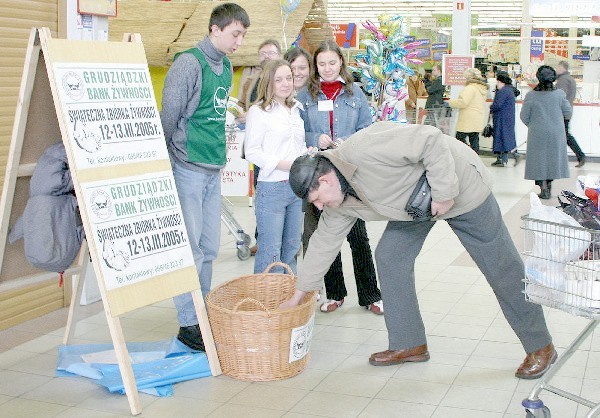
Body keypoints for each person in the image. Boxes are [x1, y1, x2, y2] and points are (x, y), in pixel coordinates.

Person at [281, 122, 556, 380]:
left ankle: (541, 346)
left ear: (326, 181)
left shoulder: (366, 148)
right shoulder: (338, 200)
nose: (318, 206)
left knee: (500, 265)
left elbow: (430, 139)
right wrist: (299, 294)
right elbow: (322, 244)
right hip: (415, 205)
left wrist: (444, 192)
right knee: (390, 257)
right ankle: (409, 343)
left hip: (458, 184)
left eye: (316, 199)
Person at [160, 3, 250, 351]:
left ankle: (203, 311)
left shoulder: (226, 66)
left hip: (213, 169)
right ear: (215, 29)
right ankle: (188, 322)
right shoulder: (187, 63)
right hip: (187, 168)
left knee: (210, 248)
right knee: (190, 250)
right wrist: (167, 163)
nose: (239, 42)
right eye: (234, 34)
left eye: (242, 35)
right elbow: (169, 117)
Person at [297, 39, 383, 315]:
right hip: (321, 174)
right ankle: (335, 293)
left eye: (332, 63)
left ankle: (371, 295)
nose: (327, 68)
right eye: (321, 64)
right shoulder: (306, 95)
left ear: (341, 63)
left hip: (349, 172)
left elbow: (367, 128)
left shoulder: (354, 93)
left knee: (358, 237)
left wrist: (350, 141)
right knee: (326, 235)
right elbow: (297, 131)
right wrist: (314, 138)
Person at [243, 60, 307, 274]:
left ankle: (288, 301)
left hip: (296, 188)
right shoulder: (259, 112)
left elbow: (298, 146)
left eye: (289, 78)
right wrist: (285, 165)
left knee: (292, 247)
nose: (285, 83)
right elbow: (252, 151)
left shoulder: (296, 110)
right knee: (270, 251)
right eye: (278, 79)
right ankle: (267, 303)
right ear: (269, 82)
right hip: (272, 188)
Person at [237, 39, 283, 257]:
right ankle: (262, 239)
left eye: (271, 53)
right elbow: (244, 103)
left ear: (280, 55)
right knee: (261, 196)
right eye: (262, 53)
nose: (266, 57)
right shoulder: (253, 80)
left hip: (281, 152)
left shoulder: (283, 81)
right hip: (259, 152)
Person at [520, 65, 572, 200]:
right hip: (556, 132)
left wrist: (534, 125)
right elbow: (568, 112)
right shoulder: (560, 94)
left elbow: (524, 116)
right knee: (552, 160)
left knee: (539, 160)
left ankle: (542, 186)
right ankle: (548, 186)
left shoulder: (531, 95)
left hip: (537, 132)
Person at [448, 67, 488, 153]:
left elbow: (463, 102)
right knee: (474, 140)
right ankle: (475, 158)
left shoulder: (470, 88)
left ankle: (466, 154)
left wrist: (450, 103)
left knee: (459, 139)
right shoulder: (482, 89)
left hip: (467, 120)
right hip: (477, 118)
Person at [555, 60, 586, 167]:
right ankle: (579, 156)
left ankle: (580, 156)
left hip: (561, 112)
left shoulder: (563, 80)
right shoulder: (570, 79)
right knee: (564, 136)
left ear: (563, 68)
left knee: (563, 136)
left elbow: (560, 96)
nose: (557, 70)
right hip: (567, 111)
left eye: (558, 68)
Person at [490, 71, 520, 167]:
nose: (497, 84)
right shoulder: (510, 90)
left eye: (498, 82)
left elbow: (497, 105)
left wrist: (491, 107)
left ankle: (503, 158)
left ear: (502, 82)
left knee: (501, 138)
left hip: (501, 118)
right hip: (508, 118)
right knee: (507, 137)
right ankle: (505, 158)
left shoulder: (503, 91)